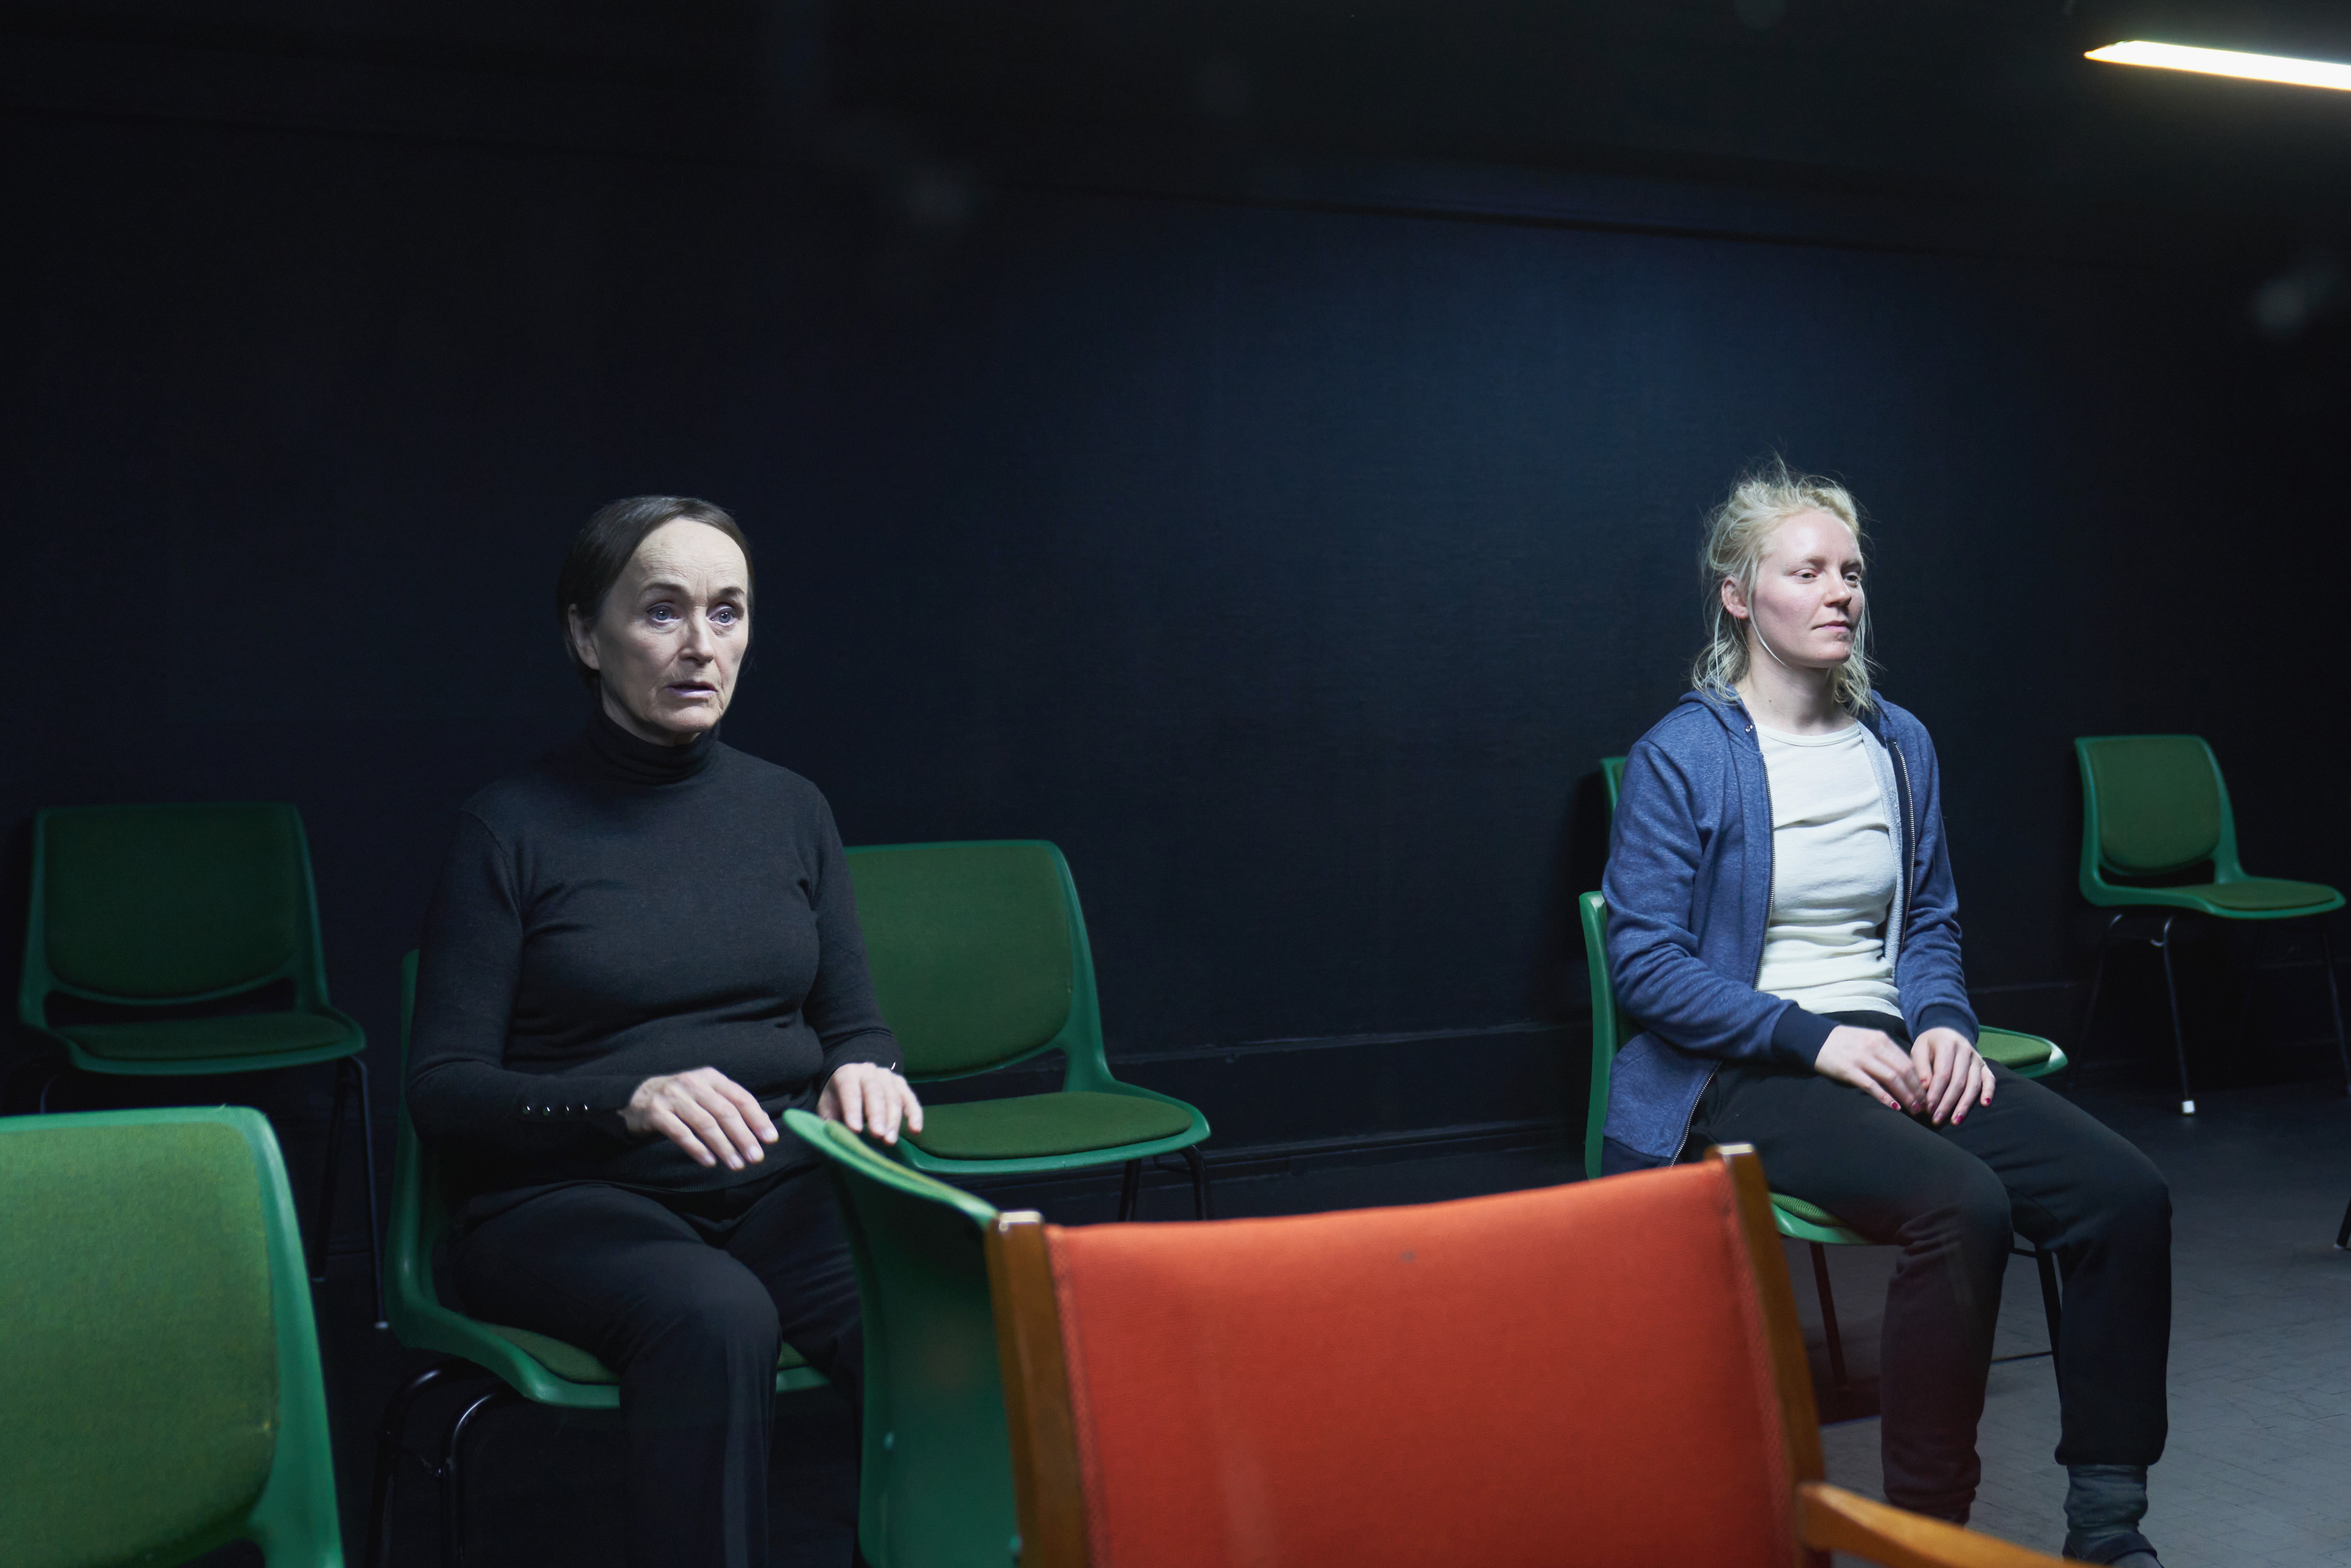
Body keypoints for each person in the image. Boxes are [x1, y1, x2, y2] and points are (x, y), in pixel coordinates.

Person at [1600, 462, 2171, 1567]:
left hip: (1894, 1046)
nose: (1839, 593)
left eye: (1851, 572)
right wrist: (1815, 1037)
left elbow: (1930, 924)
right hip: (1748, 1066)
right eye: (1807, 571)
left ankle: (2108, 1525)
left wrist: (1945, 1019)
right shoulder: (1686, 754)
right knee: (1964, 1203)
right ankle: (1924, 1536)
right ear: (1738, 595)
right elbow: (1647, 967)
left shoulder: (1898, 743)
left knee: (2123, 1194)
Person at [408, 495, 924, 1568]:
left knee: (946, 1300)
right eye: (662, 611)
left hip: (778, 1185)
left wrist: (869, 1068)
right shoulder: (507, 827)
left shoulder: (792, 809)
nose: (701, 645)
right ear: (585, 635)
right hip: (567, 1198)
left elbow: (856, 1024)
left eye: (727, 611)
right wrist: (627, 1099)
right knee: (716, 1315)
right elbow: (443, 1086)